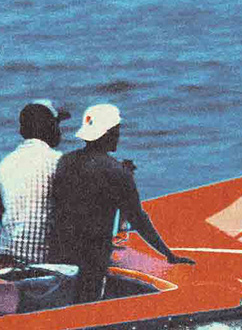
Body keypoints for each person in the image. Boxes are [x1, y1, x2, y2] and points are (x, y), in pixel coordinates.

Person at [46, 103, 194, 304]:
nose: (118, 137)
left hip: (59, 251)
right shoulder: (116, 172)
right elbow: (138, 219)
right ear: (107, 134)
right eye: (116, 132)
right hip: (94, 258)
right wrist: (168, 254)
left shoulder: (66, 161)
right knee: (88, 302)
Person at [0, 99, 69, 264]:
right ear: (51, 127)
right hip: (43, 262)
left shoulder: (4, 165)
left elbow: (3, 217)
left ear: (22, 131)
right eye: (57, 125)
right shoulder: (59, 162)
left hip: (4, 259)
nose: (60, 132)